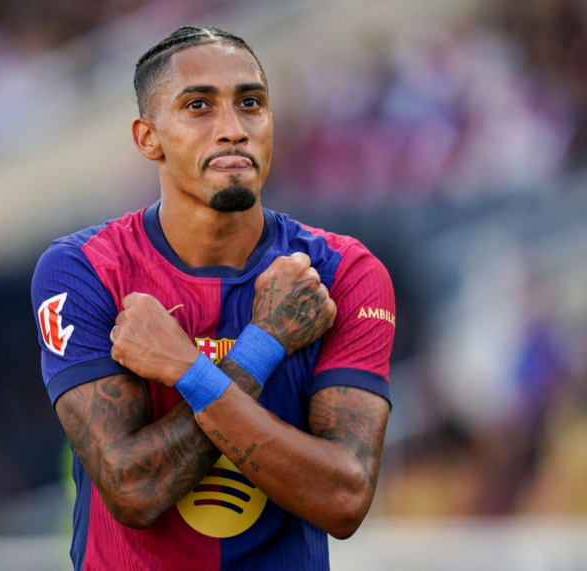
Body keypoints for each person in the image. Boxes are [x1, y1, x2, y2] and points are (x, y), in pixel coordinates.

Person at [31, 25, 395, 570]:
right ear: (148, 138)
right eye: (198, 106)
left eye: (251, 103)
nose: (233, 129)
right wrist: (265, 342)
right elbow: (134, 491)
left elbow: (344, 500)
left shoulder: (343, 274)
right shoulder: (84, 270)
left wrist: (186, 368)